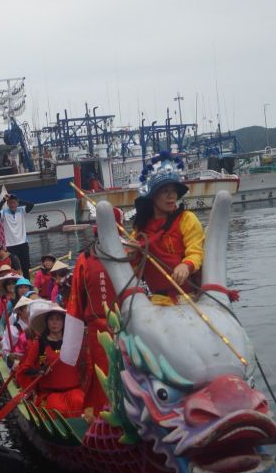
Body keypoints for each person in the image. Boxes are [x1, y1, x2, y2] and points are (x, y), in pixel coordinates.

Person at [61, 207, 123, 414]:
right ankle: (104, 415)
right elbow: (76, 299)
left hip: (128, 325)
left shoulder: (129, 254)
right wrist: (72, 340)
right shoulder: (85, 259)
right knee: (103, 372)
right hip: (98, 327)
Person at [131, 152, 205, 306]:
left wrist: (186, 265)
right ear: (153, 196)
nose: (171, 196)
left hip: (188, 298)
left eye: (173, 191)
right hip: (156, 302)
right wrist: (130, 254)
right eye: (165, 191)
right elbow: (133, 269)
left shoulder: (187, 219)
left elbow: (196, 251)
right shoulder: (141, 229)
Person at [16, 300, 84, 417]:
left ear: (64, 322)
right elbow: (25, 370)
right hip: (50, 393)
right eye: (51, 319)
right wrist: (40, 371)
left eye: (58, 319)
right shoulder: (39, 344)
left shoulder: (73, 342)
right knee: (57, 408)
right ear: (47, 322)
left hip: (74, 391)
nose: (55, 323)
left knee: (80, 401)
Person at [0, 193, 34, 278]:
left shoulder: (22, 210)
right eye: (10, 203)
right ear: (7, 204)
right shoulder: (3, 213)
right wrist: (3, 201)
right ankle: (16, 283)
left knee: (26, 266)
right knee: (14, 267)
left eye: (14, 203)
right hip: (10, 245)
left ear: (17, 203)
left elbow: (31, 204)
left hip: (23, 243)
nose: (12, 205)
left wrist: (18, 200)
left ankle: (26, 282)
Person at [1, 295, 31, 367]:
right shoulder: (13, 330)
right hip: (19, 365)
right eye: (26, 308)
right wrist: (11, 357)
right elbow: (5, 351)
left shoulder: (37, 327)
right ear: (19, 311)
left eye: (31, 307)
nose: (30, 310)